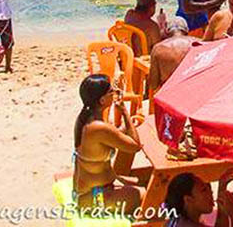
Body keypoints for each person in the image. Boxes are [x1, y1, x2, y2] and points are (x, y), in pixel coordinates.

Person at [73, 74, 142, 214]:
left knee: (141, 181)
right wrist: (125, 112)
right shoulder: (98, 127)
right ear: (102, 100)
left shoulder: (85, 118)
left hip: (92, 190)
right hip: (92, 199)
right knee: (148, 196)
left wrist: (125, 127)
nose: (115, 95)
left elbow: (109, 136)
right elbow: (135, 146)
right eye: (112, 92)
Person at [164, 172, 233, 227]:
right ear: (188, 199)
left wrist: (222, 189)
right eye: (204, 190)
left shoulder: (176, 220)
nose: (211, 192)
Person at [148, 18, 199, 94]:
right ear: (187, 30)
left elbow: (153, 84)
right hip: (194, 92)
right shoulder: (199, 44)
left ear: (167, 31)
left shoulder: (159, 48)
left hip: (169, 95)